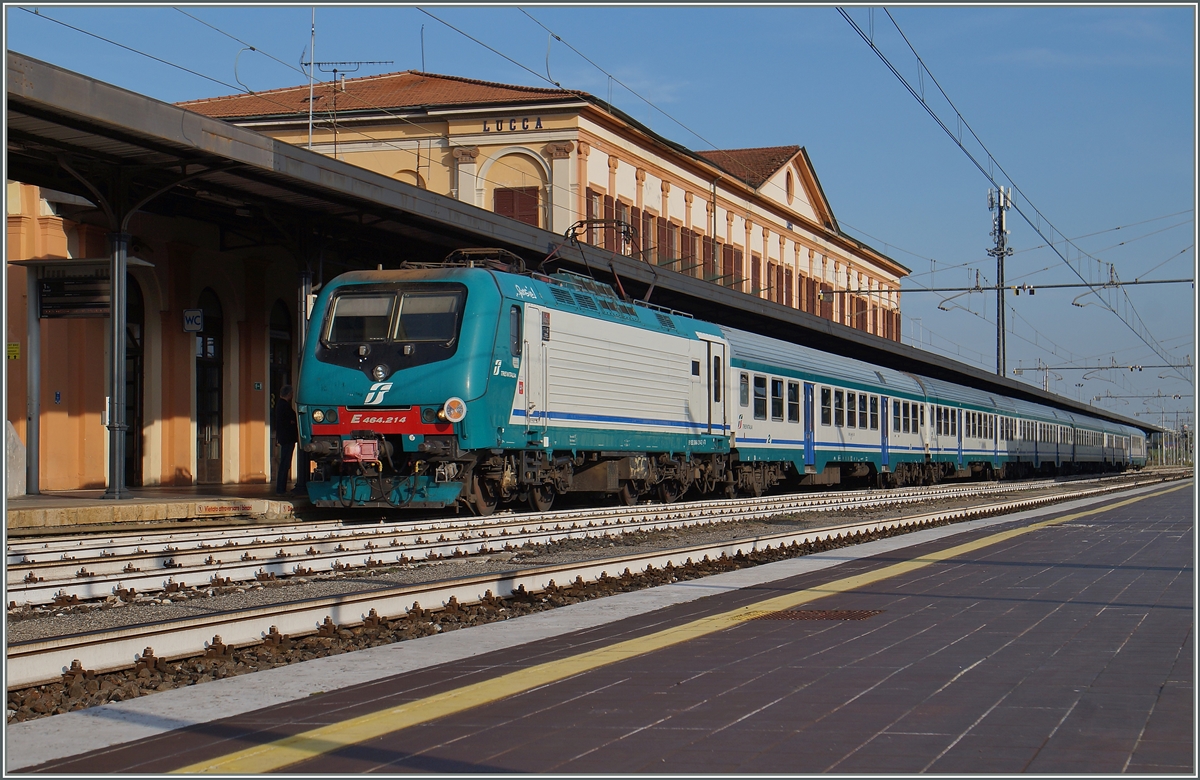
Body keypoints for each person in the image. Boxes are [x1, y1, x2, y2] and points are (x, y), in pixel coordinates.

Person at [273, 385, 298, 495]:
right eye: (291, 393)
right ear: (289, 394)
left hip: (284, 438)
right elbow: (290, 421)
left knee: (285, 463)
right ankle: (281, 488)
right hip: (288, 438)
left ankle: (281, 488)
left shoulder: (280, 405)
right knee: (285, 463)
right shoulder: (284, 406)